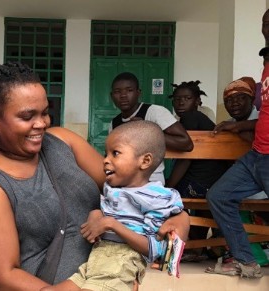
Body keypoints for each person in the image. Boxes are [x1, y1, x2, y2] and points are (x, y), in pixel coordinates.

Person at [0, 62, 190, 290]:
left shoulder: (63, 141)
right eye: (27, 116)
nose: (41, 124)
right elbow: (2, 277)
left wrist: (179, 218)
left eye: (45, 113)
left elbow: (126, 188)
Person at [43, 120, 184, 291]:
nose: (105, 160)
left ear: (145, 161)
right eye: (105, 154)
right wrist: (96, 214)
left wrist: (111, 224)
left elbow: (154, 250)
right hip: (96, 260)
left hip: (121, 265)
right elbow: (103, 211)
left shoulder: (157, 198)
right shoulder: (113, 188)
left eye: (115, 153)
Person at [203, 9, 269, 279]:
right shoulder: (266, 67)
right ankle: (247, 262)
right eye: (265, 23)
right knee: (218, 196)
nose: (267, 27)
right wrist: (238, 125)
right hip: (257, 155)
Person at [166, 81, 231, 262]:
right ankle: (198, 245)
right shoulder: (197, 119)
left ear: (197, 101)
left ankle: (182, 246)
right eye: (177, 99)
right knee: (197, 203)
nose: (181, 103)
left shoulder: (191, 117)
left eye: (187, 98)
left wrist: (169, 185)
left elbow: (187, 157)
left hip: (201, 182)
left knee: (168, 197)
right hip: (214, 182)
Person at [109, 72, 193, 184]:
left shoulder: (154, 112)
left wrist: (146, 130)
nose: (123, 95)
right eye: (117, 92)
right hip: (122, 183)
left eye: (129, 90)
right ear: (111, 96)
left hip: (150, 183)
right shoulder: (114, 123)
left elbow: (186, 144)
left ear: (138, 93)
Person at [216, 77, 259, 143]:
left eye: (240, 98)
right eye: (229, 100)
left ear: (252, 99)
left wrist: (239, 126)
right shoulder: (226, 126)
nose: (234, 103)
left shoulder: (263, 118)